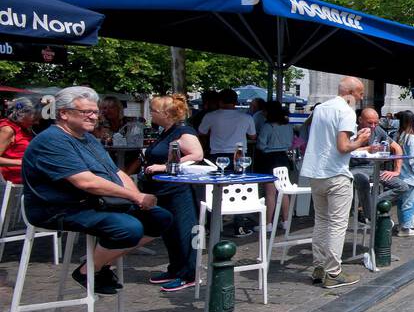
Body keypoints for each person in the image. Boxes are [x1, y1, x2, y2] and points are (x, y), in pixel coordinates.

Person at [21, 86, 172, 294]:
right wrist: (135, 196)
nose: (94, 117)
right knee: (127, 229)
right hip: (56, 208)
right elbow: (87, 182)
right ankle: (89, 271)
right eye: (87, 112)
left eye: (95, 112)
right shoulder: (52, 140)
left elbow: (116, 172)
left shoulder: (88, 138)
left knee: (160, 218)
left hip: (92, 202)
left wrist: (137, 199)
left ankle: (98, 266)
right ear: (64, 113)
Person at [299, 76, 371, 289]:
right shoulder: (346, 111)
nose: (360, 98)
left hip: (315, 172)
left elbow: (328, 140)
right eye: (359, 94)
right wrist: (360, 140)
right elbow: (342, 146)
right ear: (351, 92)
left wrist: (353, 140)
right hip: (335, 173)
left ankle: (319, 267)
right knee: (338, 224)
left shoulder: (321, 109)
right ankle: (333, 272)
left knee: (321, 221)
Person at [141, 93, 204, 291]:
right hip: (163, 189)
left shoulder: (183, 131)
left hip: (178, 190)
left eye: (153, 111)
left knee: (184, 231)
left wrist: (165, 166)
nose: (150, 113)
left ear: (166, 114)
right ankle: (176, 268)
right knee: (169, 231)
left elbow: (197, 154)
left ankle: (190, 274)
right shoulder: (167, 131)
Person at [352, 108, 403, 224]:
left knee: (402, 186)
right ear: (360, 120)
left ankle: (365, 208)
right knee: (362, 180)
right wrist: (368, 148)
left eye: (376, 123)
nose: (373, 126)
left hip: (373, 169)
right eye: (370, 123)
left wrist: (397, 171)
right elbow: (345, 149)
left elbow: (397, 148)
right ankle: (371, 217)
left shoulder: (378, 130)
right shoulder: (352, 130)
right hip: (355, 168)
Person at [385, 111, 414, 237]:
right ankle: (406, 228)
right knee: (410, 202)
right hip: (411, 176)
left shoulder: (398, 135)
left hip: (402, 174)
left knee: (402, 203)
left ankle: (402, 225)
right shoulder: (411, 138)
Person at [256, 101, 295, 225]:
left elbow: (261, 145)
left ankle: (268, 223)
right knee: (283, 191)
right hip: (284, 158)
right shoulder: (288, 126)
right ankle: (286, 221)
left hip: (270, 159)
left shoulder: (267, 126)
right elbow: (291, 143)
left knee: (270, 194)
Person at [198, 88, 256, 165]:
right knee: (240, 177)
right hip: (239, 154)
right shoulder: (247, 117)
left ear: (220, 101)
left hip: (217, 153)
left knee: (218, 176)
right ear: (235, 102)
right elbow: (253, 136)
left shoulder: (210, 116)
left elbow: (201, 132)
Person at [0, 96, 39, 186]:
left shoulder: (24, 129)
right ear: (22, 113)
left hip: (23, 182)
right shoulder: (8, 130)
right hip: (9, 184)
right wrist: (21, 162)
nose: (36, 121)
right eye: (34, 115)